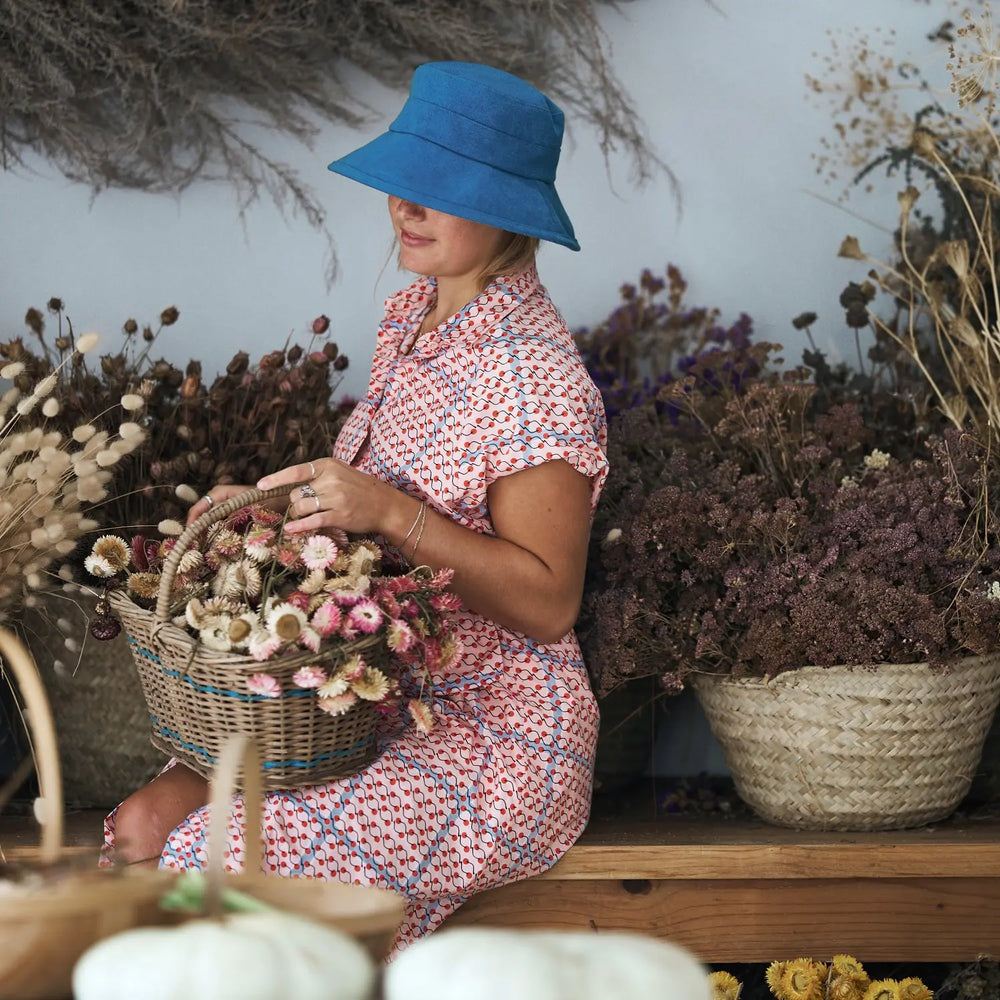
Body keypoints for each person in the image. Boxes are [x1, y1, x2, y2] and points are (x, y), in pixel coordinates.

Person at [106, 60, 608, 956]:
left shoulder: (533, 377)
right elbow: (369, 517)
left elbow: (547, 602)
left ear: (507, 210)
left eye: (440, 190)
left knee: (207, 868)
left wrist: (387, 513)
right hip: (364, 696)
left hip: (494, 736)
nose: (405, 206)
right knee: (142, 828)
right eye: (403, 181)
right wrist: (266, 508)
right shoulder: (416, 319)